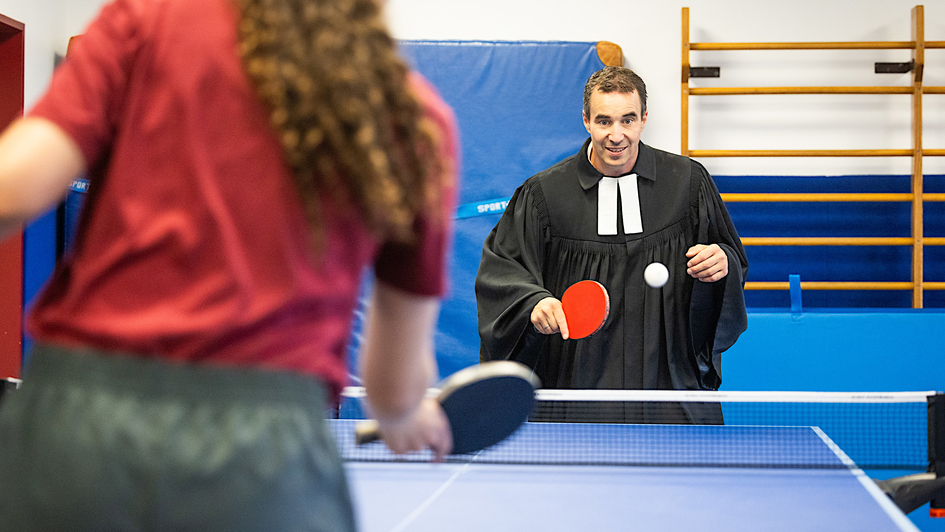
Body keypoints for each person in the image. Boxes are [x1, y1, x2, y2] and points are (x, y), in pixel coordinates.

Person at [0, 0, 459, 529]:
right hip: (266, 468)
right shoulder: (415, 122)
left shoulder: (143, 22)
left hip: (75, 439)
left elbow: (13, 190)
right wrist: (404, 413)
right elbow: (392, 387)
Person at [475, 66, 747, 424]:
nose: (616, 135)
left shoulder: (688, 184)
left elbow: (731, 259)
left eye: (627, 120)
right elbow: (502, 271)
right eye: (604, 121)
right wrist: (534, 301)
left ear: (644, 120)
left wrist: (721, 262)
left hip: (669, 384)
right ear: (586, 120)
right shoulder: (544, 196)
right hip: (574, 387)